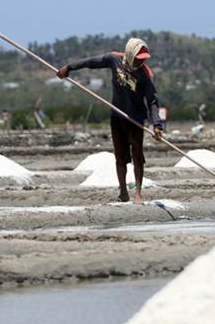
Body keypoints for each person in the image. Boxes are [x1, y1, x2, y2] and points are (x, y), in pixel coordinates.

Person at [57, 38, 163, 203]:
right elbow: (90, 62)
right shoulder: (114, 59)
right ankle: (123, 192)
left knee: (137, 155)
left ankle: (138, 194)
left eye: (144, 58)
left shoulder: (145, 74)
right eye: (138, 58)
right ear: (129, 54)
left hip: (136, 118)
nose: (142, 61)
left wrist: (157, 124)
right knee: (120, 156)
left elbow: (152, 101)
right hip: (117, 116)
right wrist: (69, 68)